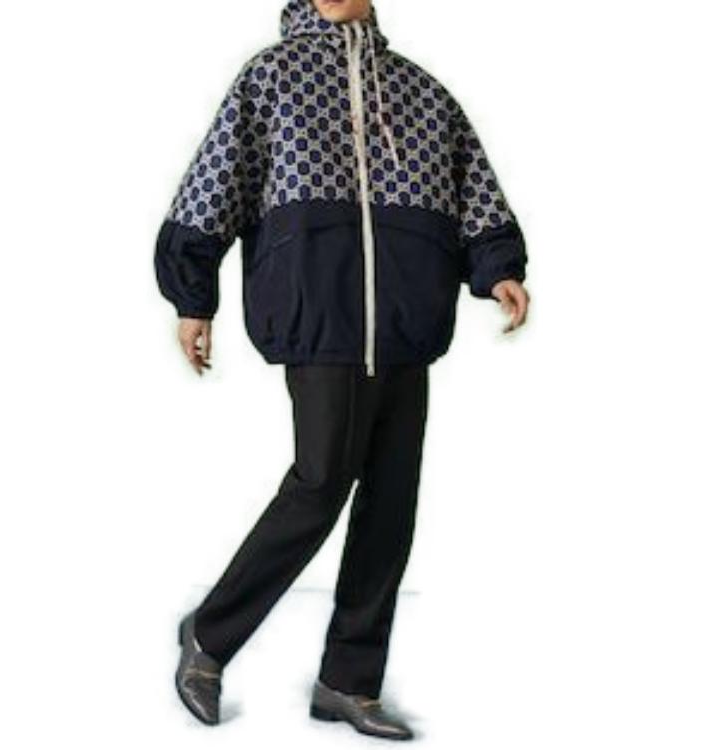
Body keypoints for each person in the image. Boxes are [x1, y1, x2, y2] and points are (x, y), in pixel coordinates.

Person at [155, 0, 530, 740]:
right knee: (320, 481)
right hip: (319, 317)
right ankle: (211, 634)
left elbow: (473, 188)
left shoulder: (422, 91)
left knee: (391, 503)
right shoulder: (270, 79)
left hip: (406, 325)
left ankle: (348, 682)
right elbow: (214, 183)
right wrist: (192, 298)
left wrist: (498, 268)